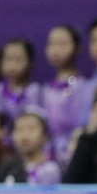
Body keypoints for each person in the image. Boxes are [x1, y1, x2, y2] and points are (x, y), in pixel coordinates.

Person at [40, 24, 82, 165]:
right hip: (46, 154)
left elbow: (79, 125)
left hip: (71, 153)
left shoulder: (81, 86)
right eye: (52, 44)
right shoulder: (45, 88)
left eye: (63, 44)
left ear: (76, 48)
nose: (56, 50)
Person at [0, 37, 42, 130]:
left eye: (18, 59)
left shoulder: (34, 90)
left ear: (30, 62)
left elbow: (35, 118)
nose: (12, 65)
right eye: (8, 59)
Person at [12, 111, 62, 184]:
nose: (24, 135)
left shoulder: (49, 170)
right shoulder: (10, 167)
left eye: (31, 129)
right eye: (19, 129)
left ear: (44, 136)